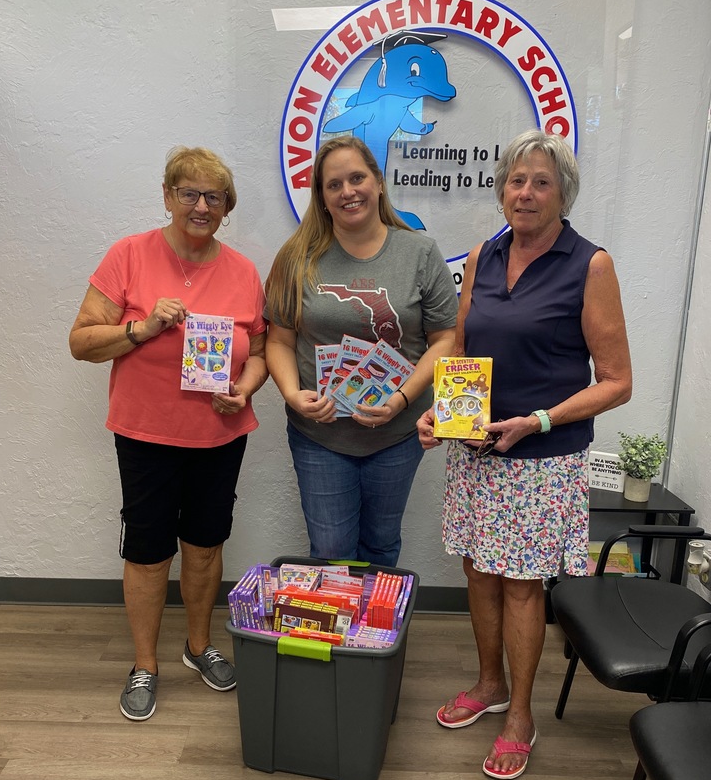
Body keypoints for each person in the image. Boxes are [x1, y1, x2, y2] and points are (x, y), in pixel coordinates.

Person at [417, 129, 632, 780]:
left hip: (543, 457)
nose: (526, 192)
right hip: (478, 449)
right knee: (479, 574)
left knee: (520, 587)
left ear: (563, 193)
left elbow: (617, 381)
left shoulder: (589, 264)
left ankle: (521, 717)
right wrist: (439, 410)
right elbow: (460, 343)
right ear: (501, 189)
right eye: (516, 180)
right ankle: (489, 687)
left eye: (541, 181)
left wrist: (535, 421)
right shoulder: (485, 254)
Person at [69, 146, 267, 721]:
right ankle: (144, 664)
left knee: (206, 546)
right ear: (168, 197)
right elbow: (81, 342)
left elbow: (258, 349)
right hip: (145, 434)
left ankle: (199, 646)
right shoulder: (129, 256)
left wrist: (246, 388)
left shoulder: (242, 271)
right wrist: (142, 327)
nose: (201, 205)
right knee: (149, 551)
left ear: (226, 208)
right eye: (190, 193)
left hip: (219, 435)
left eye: (214, 197)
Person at [265, 136, 459, 566]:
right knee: (331, 552)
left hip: (397, 434)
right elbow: (277, 339)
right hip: (320, 436)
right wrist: (292, 394)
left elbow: (446, 339)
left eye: (357, 178)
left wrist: (403, 398)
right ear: (322, 198)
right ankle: (337, 636)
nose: (348, 191)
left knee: (381, 546)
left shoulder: (420, 253)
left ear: (379, 182)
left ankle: (375, 635)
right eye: (334, 185)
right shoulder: (296, 258)